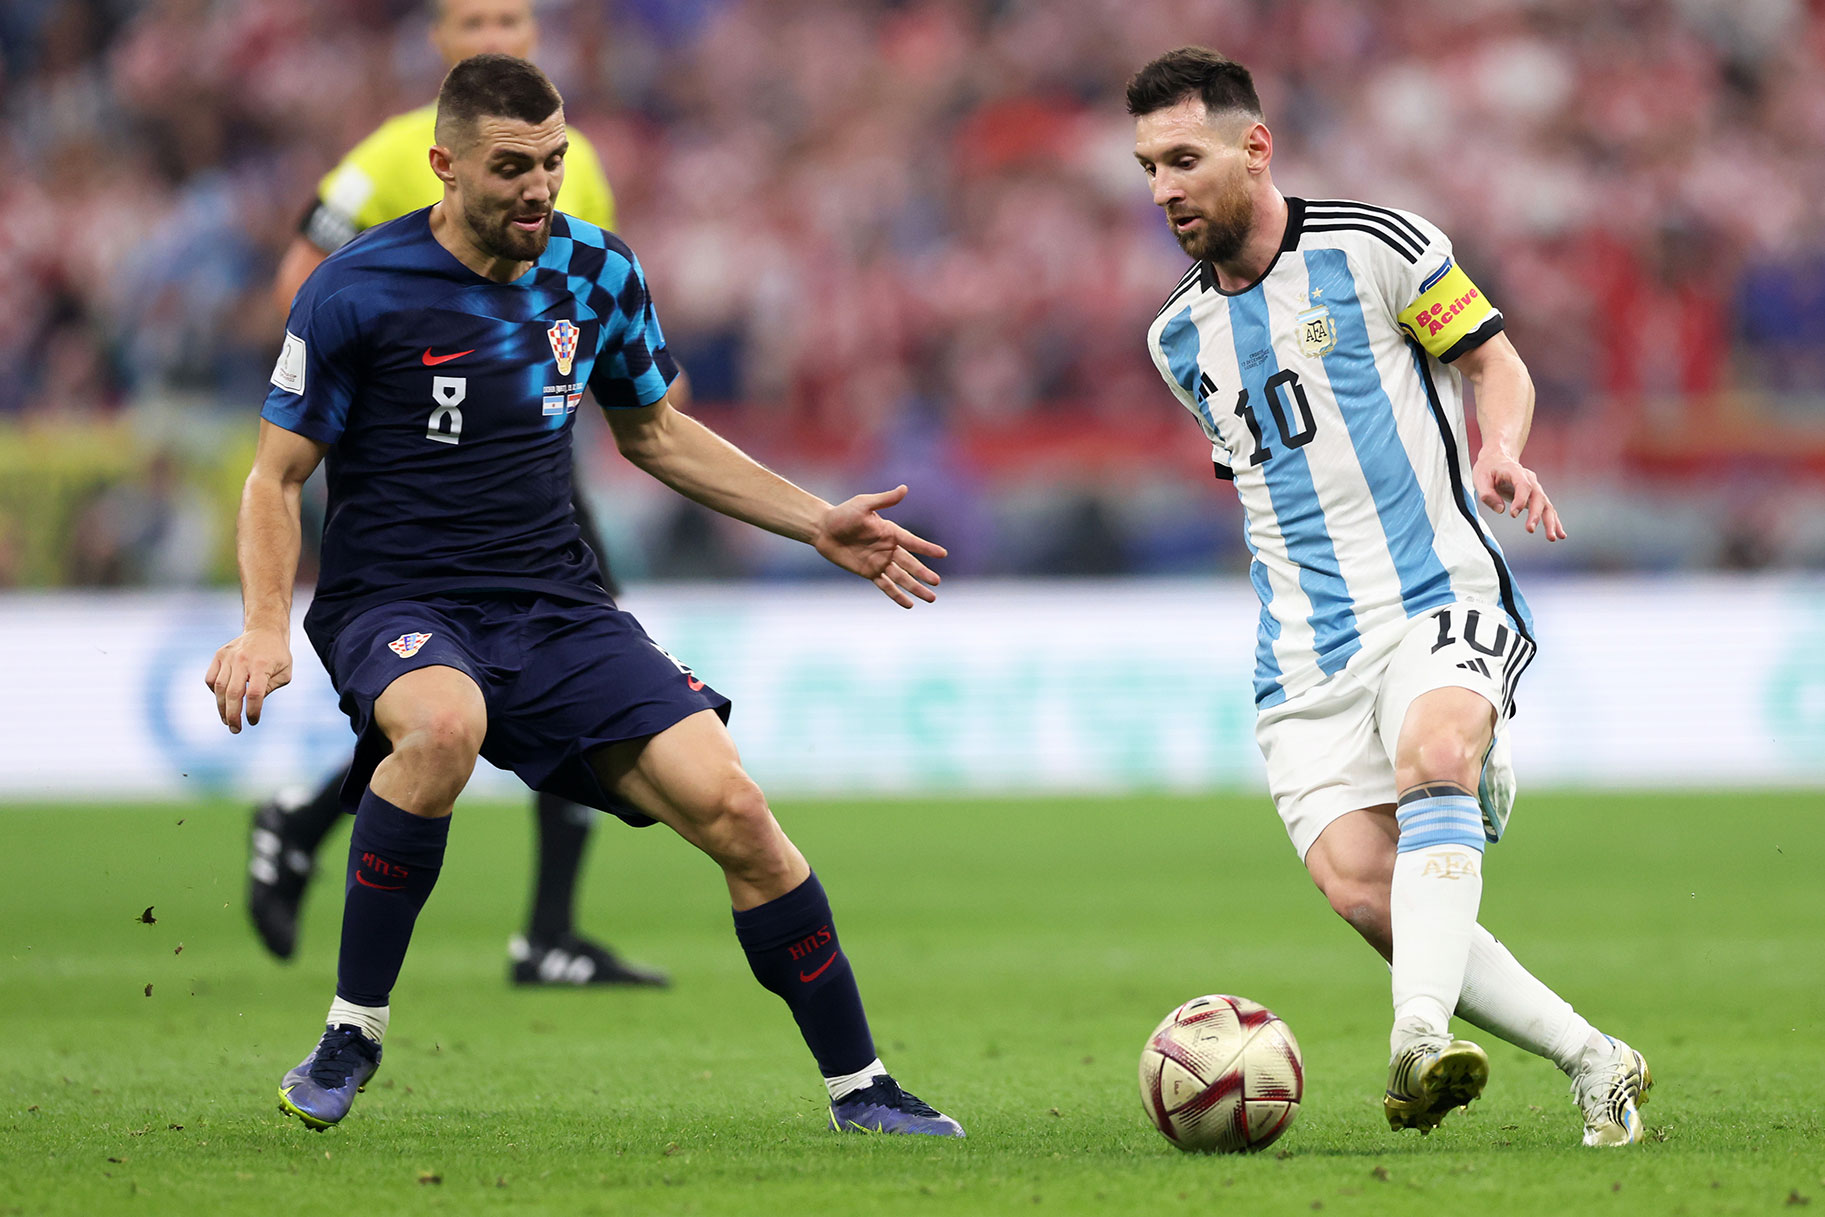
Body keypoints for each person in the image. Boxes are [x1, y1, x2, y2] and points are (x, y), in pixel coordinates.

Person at [206, 53, 962, 1138]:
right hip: (396, 599)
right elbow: (275, 476)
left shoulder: (598, 271)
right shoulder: (355, 287)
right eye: (512, 166)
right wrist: (266, 626)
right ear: (444, 166)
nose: (540, 187)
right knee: (443, 724)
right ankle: (351, 1029)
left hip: (557, 608)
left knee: (738, 810)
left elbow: (652, 430)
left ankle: (864, 1087)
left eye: (553, 161)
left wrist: (814, 520)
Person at [1128, 47, 1651, 1147]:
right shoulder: (1176, 340)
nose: (1164, 188)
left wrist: (1498, 452)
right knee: (1369, 894)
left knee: (1433, 758)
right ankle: (1596, 1059)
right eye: (1147, 168)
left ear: (1253, 147)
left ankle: (1414, 1039)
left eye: (1183, 158)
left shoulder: (1378, 246)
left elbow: (1497, 365)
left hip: (1434, 592)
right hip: (1304, 652)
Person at [248, 0, 668, 988]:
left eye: (511, 18)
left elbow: (588, 305)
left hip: (534, 459)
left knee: (570, 660)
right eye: (472, 18)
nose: (493, 35)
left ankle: (547, 927)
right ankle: (317, 833)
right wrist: (369, 383)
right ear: (437, 42)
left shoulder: (579, 161)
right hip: (419, 459)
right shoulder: (390, 154)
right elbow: (300, 277)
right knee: (440, 704)